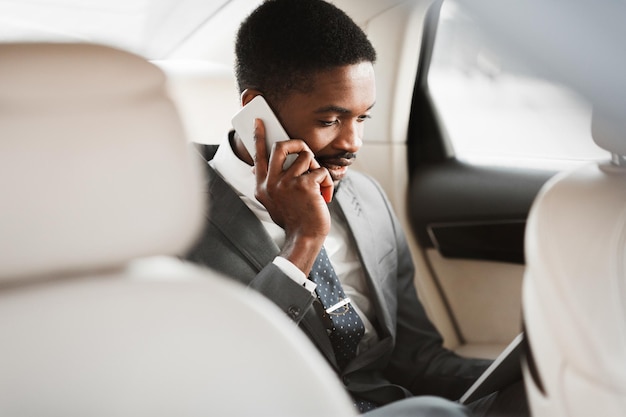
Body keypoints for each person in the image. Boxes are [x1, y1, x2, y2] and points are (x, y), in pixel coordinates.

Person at [187, 0, 528, 416]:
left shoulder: (366, 198)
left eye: (362, 118)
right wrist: (303, 241)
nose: (353, 143)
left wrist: (529, 373)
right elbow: (221, 376)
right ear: (256, 111)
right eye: (331, 120)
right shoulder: (170, 217)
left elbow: (417, 359)